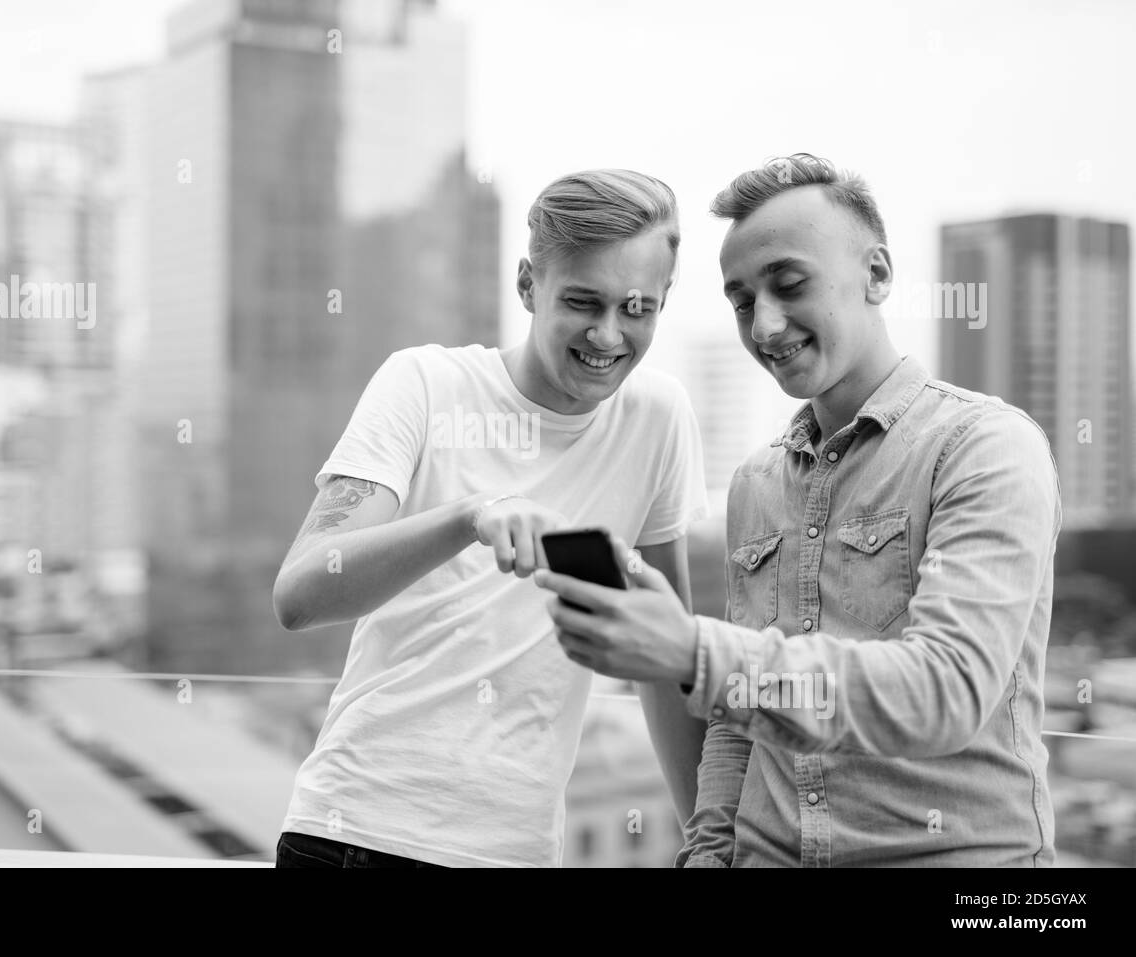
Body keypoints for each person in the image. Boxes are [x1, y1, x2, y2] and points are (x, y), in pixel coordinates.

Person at [535, 153, 1061, 867]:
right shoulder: (755, 482)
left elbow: (946, 689)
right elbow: (736, 728)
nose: (766, 325)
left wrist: (690, 650)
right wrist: (709, 851)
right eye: (743, 301)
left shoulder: (984, 447)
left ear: (877, 274)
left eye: (789, 285)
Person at [272, 169, 710, 867]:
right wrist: (471, 516)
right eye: (582, 301)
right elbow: (300, 592)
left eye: (637, 307)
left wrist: (711, 843)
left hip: (517, 853)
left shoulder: (658, 419)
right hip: (354, 835)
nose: (609, 333)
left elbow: (660, 652)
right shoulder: (424, 383)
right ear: (528, 286)